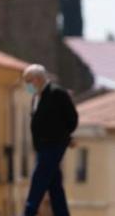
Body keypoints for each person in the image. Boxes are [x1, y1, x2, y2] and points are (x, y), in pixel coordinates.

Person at [23, 64, 78, 216]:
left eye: (29, 81)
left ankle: (28, 211)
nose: (27, 85)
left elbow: (72, 119)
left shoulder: (57, 94)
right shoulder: (35, 97)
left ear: (39, 79)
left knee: (38, 180)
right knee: (54, 186)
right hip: (42, 146)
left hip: (53, 145)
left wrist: (64, 136)